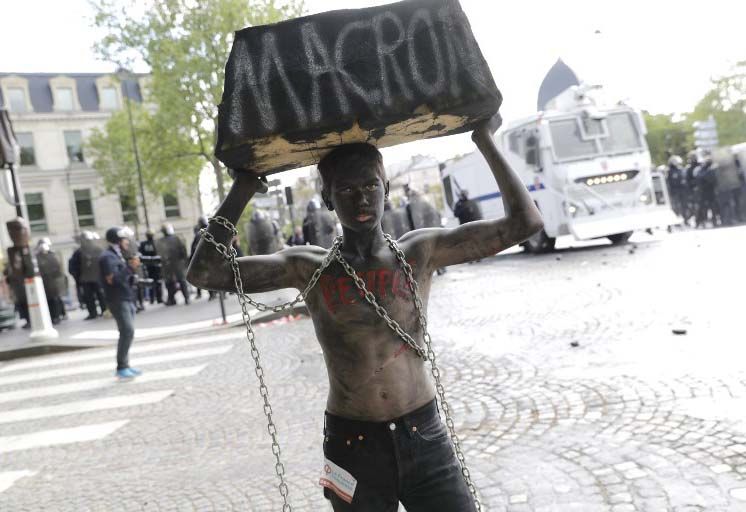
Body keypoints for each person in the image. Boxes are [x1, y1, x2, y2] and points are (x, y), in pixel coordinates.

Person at [188, 124, 543, 512]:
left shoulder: (420, 252)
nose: (361, 199)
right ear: (327, 198)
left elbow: (524, 224)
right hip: (352, 445)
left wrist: (484, 139)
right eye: (345, 189)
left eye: (371, 186)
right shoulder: (308, 268)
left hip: (422, 434)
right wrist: (243, 188)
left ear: (386, 189)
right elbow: (205, 273)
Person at [100, 226, 141, 380]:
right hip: (118, 299)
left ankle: (125, 365)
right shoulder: (108, 257)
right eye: (124, 239)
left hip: (126, 297)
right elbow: (112, 279)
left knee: (128, 332)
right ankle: (121, 367)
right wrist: (130, 267)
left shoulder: (117, 255)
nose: (127, 242)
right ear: (118, 240)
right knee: (127, 331)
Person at [158, 224, 190, 305]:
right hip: (173, 264)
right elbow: (183, 251)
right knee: (174, 282)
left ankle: (179, 299)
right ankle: (178, 299)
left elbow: (183, 251)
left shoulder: (169, 240)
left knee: (174, 282)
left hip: (173, 263)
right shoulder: (174, 239)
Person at [35, 238, 65, 324]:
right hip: (44, 282)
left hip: (54, 282)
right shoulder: (37, 257)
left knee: (56, 299)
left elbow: (58, 268)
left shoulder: (53, 255)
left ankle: (59, 315)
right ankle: (53, 316)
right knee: (49, 301)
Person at [79, 231, 107, 319]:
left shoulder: (98, 249)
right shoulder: (80, 251)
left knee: (100, 295)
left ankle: (103, 311)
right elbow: (75, 265)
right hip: (87, 278)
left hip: (96, 277)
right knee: (90, 297)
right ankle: (95, 312)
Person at [190, 217, 215, 300]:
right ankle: (218, 293)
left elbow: (194, 248)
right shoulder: (212, 231)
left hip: (204, 259)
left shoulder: (199, 234)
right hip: (211, 257)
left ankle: (212, 294)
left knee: (205, 276)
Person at [139, 229, 163, 304]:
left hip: (148, 265)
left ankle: (153, 299)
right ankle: (158, 298)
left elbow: (141, 254)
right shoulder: (156, 242)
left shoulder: (143, 244)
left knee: (151, 283)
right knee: (157, 282)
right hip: (155, 265)